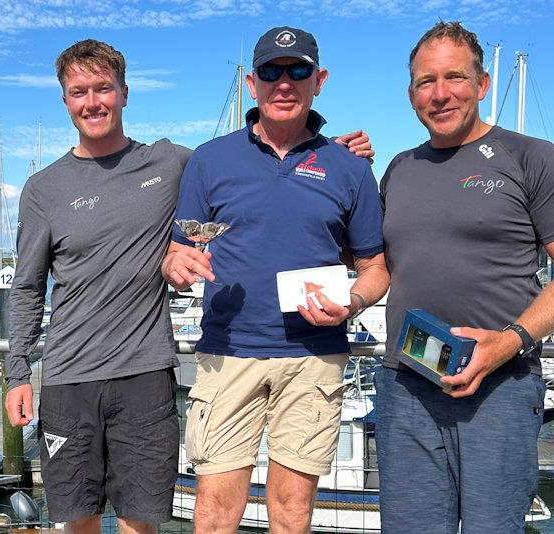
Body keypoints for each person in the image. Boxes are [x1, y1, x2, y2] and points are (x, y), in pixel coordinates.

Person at [4, 39, 375, 534]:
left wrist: (339, 154)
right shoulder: (47, 188)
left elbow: (361, 251)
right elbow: (27, 287)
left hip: (150, 371)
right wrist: (17, 371)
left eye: (103, 88)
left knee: (147, 521)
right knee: (81, 520)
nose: (92, 101)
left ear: (124, 93)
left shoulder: (174, 162)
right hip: (75, 374)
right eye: (79, 91)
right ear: (66, 100)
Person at [376, 21, 554, 533]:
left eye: (454, 78)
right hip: (405, 383)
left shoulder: (532, 158)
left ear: (481, 84)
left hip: (500, 386)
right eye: (424, 81)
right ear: (410, 92)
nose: (439, 94)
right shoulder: (398, 168)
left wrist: (510, 341)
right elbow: (374, 264)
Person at [161, 26, 390, 534]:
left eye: (298, 71)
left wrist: (351, 303)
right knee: (214, 513)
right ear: (251, 82)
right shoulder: (210, 158)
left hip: (314, 357)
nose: (283, 83)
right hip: (228, 353)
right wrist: (176, 267)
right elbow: (178, 252)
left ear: (319, 80)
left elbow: (376, 269)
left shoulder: (349, 168)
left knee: (292, 512)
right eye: (270, 72)